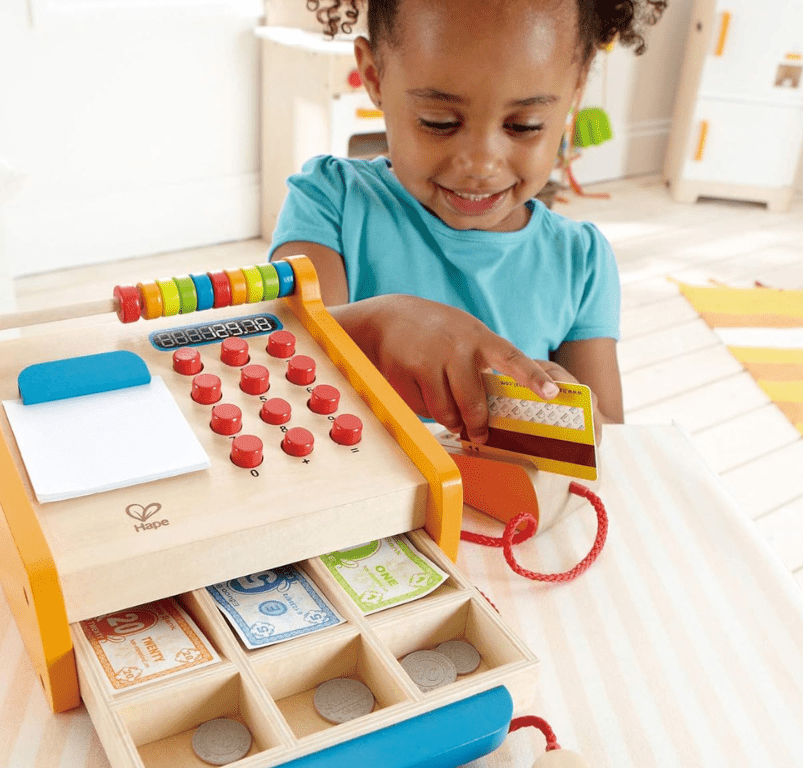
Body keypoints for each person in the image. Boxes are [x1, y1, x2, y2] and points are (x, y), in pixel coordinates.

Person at [272, 0, 666, 444]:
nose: (480, 164)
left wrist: (573, 416)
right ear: (374, 76)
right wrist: (378, 326)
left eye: (524, 125)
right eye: (438, 122)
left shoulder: (581, 262)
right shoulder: (330, 199)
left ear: (577, 85)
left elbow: (613, 439)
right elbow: (280, 350)